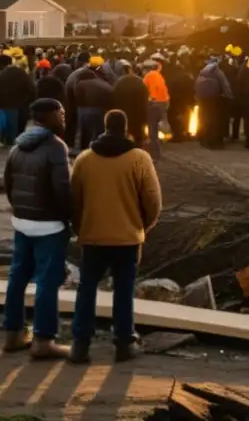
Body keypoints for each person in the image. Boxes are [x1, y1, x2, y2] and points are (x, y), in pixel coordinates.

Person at [69, 110, 162, 363]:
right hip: (127, 238)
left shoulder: (84, 159)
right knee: (123, 291)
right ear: (126, 128)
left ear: (104, 127)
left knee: (87, 288)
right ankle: (123, 344)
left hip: (93, 236)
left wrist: (81, 227)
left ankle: (80, 344)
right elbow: (153, 199)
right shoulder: (139, 159)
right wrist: (142, 226)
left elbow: (74, 200)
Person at [2, 98, 74, 359]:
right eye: (61, 113)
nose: (64, 117)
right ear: (50, 116)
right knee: (47, 281)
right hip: (48, 225)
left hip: (22, 221)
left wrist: (19, 209)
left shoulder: (18, 145)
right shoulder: (56, 147)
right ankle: (43, 340)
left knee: (17, 277)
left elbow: (8, 182)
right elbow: (63, 189)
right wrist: (70, 219)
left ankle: (13, 334)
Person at [0, 58, 36, 146]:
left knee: (6, 124)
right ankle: (17, 141)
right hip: (20, 104)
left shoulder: (0, 74)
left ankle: (5, 139)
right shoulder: (22, 74)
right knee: (18, 125)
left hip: (2, 104)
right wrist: (29, 101)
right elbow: (32, 89)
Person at [75, 56, 114, 150]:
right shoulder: (103, 79)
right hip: (101, 110)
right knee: (99, 132)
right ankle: (99, 149)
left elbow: (78, 98)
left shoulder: (81, 83)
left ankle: (84, 150)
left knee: (85, 133)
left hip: (86, 110)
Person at [195, 57, 232, 149]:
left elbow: (196, 83)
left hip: (201, 97)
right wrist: (230, 96)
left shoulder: (202, 71)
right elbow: (225, 84)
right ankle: (212, 141)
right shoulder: (217, 71)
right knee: (212, 119)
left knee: (203, 117)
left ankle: (202, 138)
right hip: (212, 97)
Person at [112, 64, 149, 145]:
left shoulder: (118, 83)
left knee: (124, 132)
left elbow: (113, 98)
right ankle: (138, 149)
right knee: (138, 134)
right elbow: (146, 97)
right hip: (138, 113)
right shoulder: (139, 81)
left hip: (123, 113)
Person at [143, 55, 171, 159]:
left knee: (152, 129)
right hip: (163, 103)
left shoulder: (149, 76)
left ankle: (154, 153)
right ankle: (157, 147)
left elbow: (146, 91)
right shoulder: (159, 76)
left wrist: (149, 101)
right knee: (159, 125)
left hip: (154, 104)